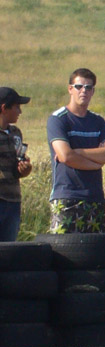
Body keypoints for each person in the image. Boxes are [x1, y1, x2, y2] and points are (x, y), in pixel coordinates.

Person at [47, 68, 105, 234]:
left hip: (95, 197)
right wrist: (95, 164)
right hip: (66, 196)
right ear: (70, 89)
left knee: (95, 247)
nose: (83, 91)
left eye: (88, 87)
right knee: (63, 246)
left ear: (93, 91)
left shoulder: (98, 121)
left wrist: (77, 152)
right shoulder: (58, 119)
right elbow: (65, 156)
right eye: (79, 86)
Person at [0, 87, 33, 242]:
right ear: (4, 108)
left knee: (8, 249)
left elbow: (18, 162)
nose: (20, 111)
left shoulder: (15, 133)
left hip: (13, 200)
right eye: (16, 107)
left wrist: (24, 169)